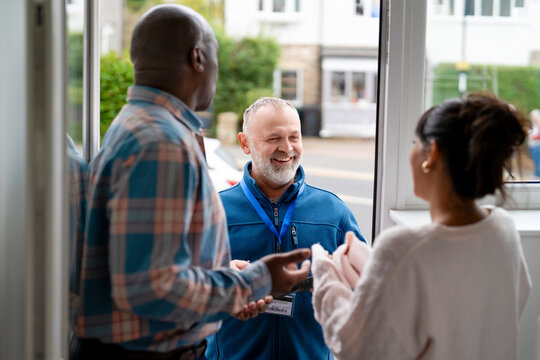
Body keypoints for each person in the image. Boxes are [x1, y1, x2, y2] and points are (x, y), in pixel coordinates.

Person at [72, 5, 310, 360]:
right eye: (216, 56)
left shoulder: (137, 124)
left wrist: (220, 277)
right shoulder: (162, 143)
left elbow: (146, 264)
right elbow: (150, 288)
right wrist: (254, 282)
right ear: (198, 57)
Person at [311, 92, 532, 360]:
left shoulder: (403, 249)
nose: (410, 152)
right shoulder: (503, 229)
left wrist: (325, 274)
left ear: (433, 153)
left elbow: (355, 347)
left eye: (414, 142)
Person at [206, 97, 366, 360]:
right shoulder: (214, 212)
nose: (287, 148)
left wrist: (335, 290)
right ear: (245, 143)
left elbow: (365, 295)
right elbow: (185, 290)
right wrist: (223, 283)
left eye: (295, 136)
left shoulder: (334, 212)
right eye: (273, 138)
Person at [528, 109, 540, 178]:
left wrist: (532, 137)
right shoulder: (534, 125)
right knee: (536, 161)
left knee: (538, 161)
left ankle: (538, 176)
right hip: (533, 146)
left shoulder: (539, 125)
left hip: (537, 146)